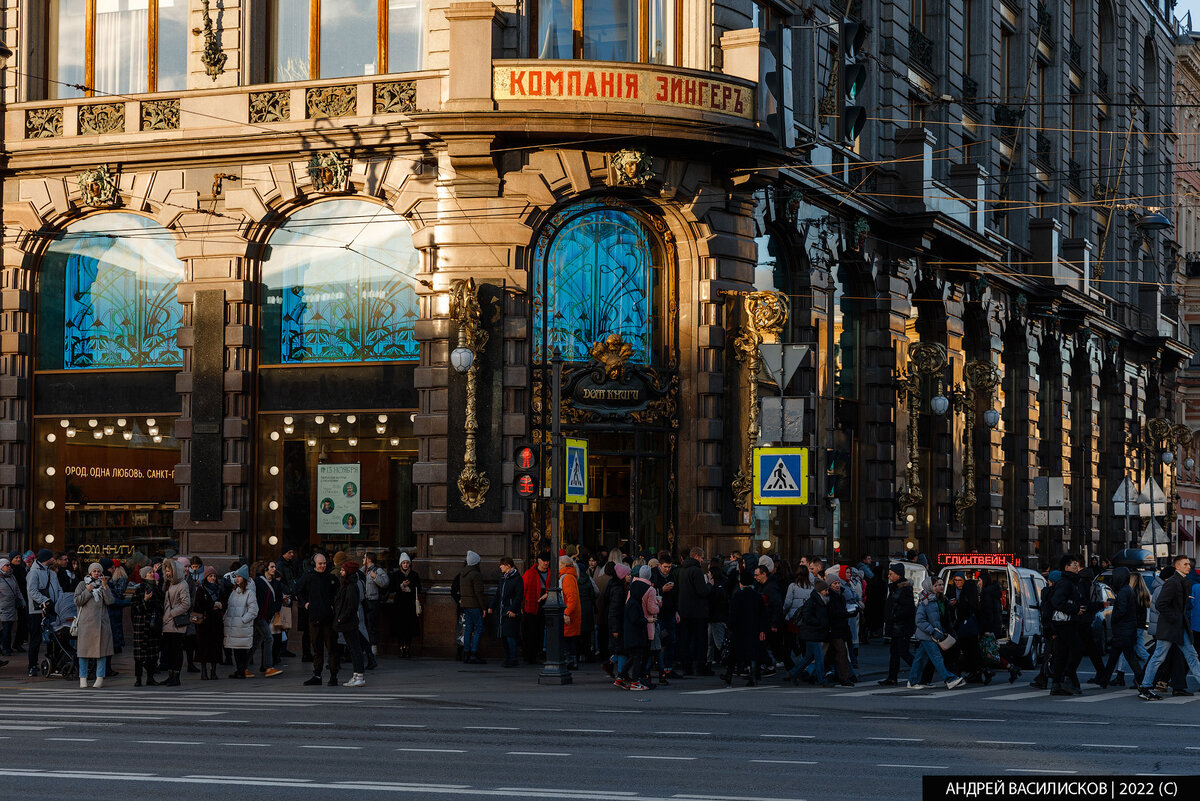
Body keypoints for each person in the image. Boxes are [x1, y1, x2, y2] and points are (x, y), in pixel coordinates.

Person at [1138, 555, 1200, 700]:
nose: (1188, 566)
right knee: (1159, 657)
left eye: (1189, 564)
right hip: (1170, 627)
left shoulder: (1182, 581)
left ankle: (1145, 686)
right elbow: (1161, 604)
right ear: (1177, 566)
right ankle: (1145, 687)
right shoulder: (1172, 583)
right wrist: (1176, 617)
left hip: (1178, 626)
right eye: (1185, 564)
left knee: (1191, 656)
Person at [907, 577, 966, 690]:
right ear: (930, 586)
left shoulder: (932, 599)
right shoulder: (925, 601)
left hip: (930, 634)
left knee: (920, 659)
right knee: (936, 658)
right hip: (928, 635)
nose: (940, 587)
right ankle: (950, 679)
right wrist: (933, 630)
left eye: (941, 584)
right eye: (936, 585)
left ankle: (913, 681)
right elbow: (919, 621)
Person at [1094, 567, 1145, 688]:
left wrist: (1114, 618)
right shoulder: (1127, 590)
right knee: (1118, 657)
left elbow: (1121, 610)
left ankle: (1141, 679)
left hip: (1123, 630)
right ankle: (1105, 680)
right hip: (1126, 629)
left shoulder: (1123, 591)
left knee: (1126, 657)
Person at [298, 552, 340, 686]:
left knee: (332, 647)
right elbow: (298, 590)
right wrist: (305, 603)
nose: (322, 566)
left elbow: (338, 594)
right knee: (317, 648)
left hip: (329, 618)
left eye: (324, 563)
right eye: (320, 563)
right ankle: (317, 675)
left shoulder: (331, 577)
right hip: (314, 617)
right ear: (314, 564)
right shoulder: (308, 577)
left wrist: (334, 605)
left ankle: (334, 676)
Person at [1049, 555, 1088, 697]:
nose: (1076, 567)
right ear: (1066, 567)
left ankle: (1056, 684)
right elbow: (1057, 601)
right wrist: (1075, 610)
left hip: (1064, 622)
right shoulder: (1066, 583)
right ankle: (1067, 677)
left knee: (1062, 654)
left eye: (1077, 565)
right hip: (1065, 622)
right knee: (1077, 650)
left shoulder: (1072, 582)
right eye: (1073, 565)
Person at [73, 563, 115, 688]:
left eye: (98, 571)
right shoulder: (82, 584)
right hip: (86, 624)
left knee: (101, 653)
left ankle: (99, 677)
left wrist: (105, 586)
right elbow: (77, 601)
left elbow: (110, 601)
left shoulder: (104, 586)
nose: (96, 573)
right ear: (90, 572)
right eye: (94, 571)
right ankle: (83, 678)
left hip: (101, 624)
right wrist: (88, 590)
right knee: (83, 652)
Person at [723, 569, 767, 686]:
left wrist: (729, 624)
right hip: (754, 628)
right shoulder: (757, 596)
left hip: (739, 628)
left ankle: (729, 674)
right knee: (753, 653)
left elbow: (733, 612)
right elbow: (763, 613)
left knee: (734, 652)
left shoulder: (738, 595)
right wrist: (762, 629)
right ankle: (753, 677)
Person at [25, 549, 62, 677]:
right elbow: (32, 591)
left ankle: (52, 663)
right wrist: (45, 601)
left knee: (53, 638)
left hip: (52, 609)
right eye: (51, 557)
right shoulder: (33, 573)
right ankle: (32, 666)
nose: (53, 559)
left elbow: (58, 589)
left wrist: (60, 602)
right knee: (36, 638)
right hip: (37, 611)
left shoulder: (52, 573)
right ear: (47, 559)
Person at [677, 546, 713, 675]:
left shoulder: (682, 570)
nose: (703, 560)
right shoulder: (696, 571)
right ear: (697, 556)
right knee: (700, 641)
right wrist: (709, 584)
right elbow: (702, 591)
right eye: (702, 558)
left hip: (684, 610)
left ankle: (686, 666)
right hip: (698, 612)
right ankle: (700, 667)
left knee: (685, 640)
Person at [879, 563, 916, 685]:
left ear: (898, 575)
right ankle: (892, 677)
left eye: (891, 574)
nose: (889, 576)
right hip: (896, 626)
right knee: (895, 652)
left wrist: (894, 617)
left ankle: (920, 671)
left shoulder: (904, 589)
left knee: (902, 652)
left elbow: (908, 608)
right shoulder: (896, 588)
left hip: (901, 626)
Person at [788, 577, 829, 686]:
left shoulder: (816, 600)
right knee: (819, 657)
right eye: (825, 590)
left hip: (812, 633)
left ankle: (793, 673)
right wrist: (818, 622)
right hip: (812, 633)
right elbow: (807, 616)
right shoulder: (814, 601)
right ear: (820, 591)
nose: (827, 592)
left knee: (809, 658)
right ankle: (822, 680)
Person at [335, 560, 367, 687]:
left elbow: (351, 606)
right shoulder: (348, 585)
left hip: (349, 622)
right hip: (348, 622)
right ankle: (356, 675)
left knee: (355, 649)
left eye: (343, 570)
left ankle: (359, 676)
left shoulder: (352, 586)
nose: (341, 572)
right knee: (353, 649)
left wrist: (340, 618)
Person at [222, 565, 258, 679]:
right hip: (234, 626)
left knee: (241, 651)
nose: (236, 579)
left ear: (244, 578)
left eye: (239, 577)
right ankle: (239, 670)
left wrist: (243, 620)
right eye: (236, 576)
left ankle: (241, 671)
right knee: (236, 651)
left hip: (241, 626)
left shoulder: (249, 593)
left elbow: (254, 610)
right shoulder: (235, 591)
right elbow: (230, 607)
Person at [160, 558, 192, 687]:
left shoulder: (182, 584)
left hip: (176, 623)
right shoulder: (168, 583)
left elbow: (186, 604)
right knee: (168, 651)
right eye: (166, 571)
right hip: (167, 623)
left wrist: (171, 614)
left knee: (176, 650)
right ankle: (170, 675)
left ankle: (176, 677)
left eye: (169, 571)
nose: (167, 573)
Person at [130, 566, 162, 687]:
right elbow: (135, 609)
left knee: (153, 654)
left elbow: (161, 606)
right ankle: (138, 679)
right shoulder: (139, 590)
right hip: (141, 626)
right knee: (139, 655)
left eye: (153, 572)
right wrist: (145, 600)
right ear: (144, 576)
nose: (152, 574)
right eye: (149, 573)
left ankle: (150, 677)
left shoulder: (158, 589)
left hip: (154, 626)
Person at [650, 552, 680, 679]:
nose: (667, 569)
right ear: (660, 565)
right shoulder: (654, 575)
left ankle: (668, 668)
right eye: (665, 567)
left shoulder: (672, 575)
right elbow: (650, 592)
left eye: (669, 567)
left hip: (670, 612)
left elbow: (676, 595)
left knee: (671, 641)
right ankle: (657, 667)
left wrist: (677, 611)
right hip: (658, 613)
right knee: (657, 642)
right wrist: (661, 590)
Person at [253, 561, 284, 677]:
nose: (274, 569)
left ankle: (243, 666)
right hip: (259, 616)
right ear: (265, 568)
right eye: (272, 567)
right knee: (269, 638)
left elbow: (279, 599)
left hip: (268, 617)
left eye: (275, 566)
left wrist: (275, 610)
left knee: (255, 642)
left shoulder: (276, 584)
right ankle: (268, 667)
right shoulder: (257, 582)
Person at [490, 557, 522, 667]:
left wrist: (513, 609)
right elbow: (498, 594)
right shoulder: (503, 578)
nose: (500, 567)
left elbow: (519, 596)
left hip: (510, 612)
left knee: (510, 636)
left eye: (502, 565)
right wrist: (492, 606)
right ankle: (508, 658)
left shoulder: (517, 578)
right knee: (504, 636)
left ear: (508, 565)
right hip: (502, 611)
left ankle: (513, 659)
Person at [193, 567, 224, 680]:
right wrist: (213, 605)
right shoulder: (201, 589)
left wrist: (219, 606)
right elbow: (199, 605)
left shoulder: (219, 589)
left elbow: (223, 603)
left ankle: (213, 671)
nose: (213, 578)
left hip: (216, 623)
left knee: (215, 647)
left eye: (214, 576)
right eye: (210, 576)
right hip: (204, 623)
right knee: (204, 648)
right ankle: (204, 671)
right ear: (206, 577)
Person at [824, 572, 855, 686]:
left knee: (832, 654)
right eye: (834, 583)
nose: (837, 585)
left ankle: (836, 674)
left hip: (840, 628)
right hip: (834, 629)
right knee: (841, 652)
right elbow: (833, 613)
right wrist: (846, 613)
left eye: (838, 583)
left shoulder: (840, 596)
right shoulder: (830, 597)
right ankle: (844, 677)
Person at [389, 553, 421, 658]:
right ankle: (401, 647)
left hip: (410, 605)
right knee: (400, 627)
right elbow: (392, 588)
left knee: (409, 628)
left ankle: (407, 647)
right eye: (404, 563)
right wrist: (401, 586)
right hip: (399, 605)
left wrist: (410, 586)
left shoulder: (414, 575)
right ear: (400, 564)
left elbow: (419, 588)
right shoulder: (395, 575)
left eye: (407, 563)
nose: (406, 565)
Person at [457, 550, 486, 664]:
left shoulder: (462, 574)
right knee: (479, 628)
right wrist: (484, 607)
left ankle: (466, 653)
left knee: (468, 628)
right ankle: (474, 653)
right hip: (475, 605)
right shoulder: (476, 574)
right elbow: (479, 592)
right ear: (476, 563)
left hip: (466, 605)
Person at [521, 553, 550, 664]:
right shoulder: (530, 573)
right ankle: (529, 655)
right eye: (544, 560)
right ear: (538, 560)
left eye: (547, 561)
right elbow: (523, 590)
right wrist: (521, 605)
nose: (546, 563)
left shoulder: (551, 573)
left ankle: (538, 653)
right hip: (531, 606)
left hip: (546, 607)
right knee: (530, 632)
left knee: (540, 632)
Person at [558, 554, 581, 669]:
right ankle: (571, 661)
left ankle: (570, 662)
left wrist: (566, 613)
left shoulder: (567, 577)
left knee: (567, 640)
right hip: (570, 614)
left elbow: (572, 598)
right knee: (569, 640)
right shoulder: (569, 576)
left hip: (569, 615)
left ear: (563, 565)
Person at [0, 557, 20, 657]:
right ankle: (5, 648)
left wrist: (22, 601)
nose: (9, 567)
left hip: (11, 606)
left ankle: (7, 647)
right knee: (6, 629)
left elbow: (17, 590)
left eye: (9, 565)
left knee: (9, 628)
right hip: (2, 607)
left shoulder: (12, 576)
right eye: (6, 565)